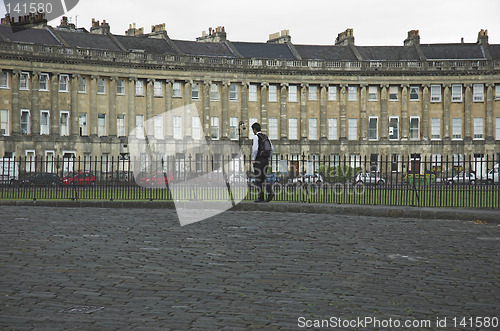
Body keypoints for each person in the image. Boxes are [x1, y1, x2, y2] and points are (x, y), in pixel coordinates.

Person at [251, 122, 274, 202]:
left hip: (259, 159)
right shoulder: (266, 137)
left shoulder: (256, 137)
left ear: (254, 130)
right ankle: (270, 192)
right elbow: (272, 148)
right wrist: (268, 157)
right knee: (264, 177)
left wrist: (253, 159)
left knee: (258, 178)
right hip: (266, 160)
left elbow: (255, 149)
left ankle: (261, 197)